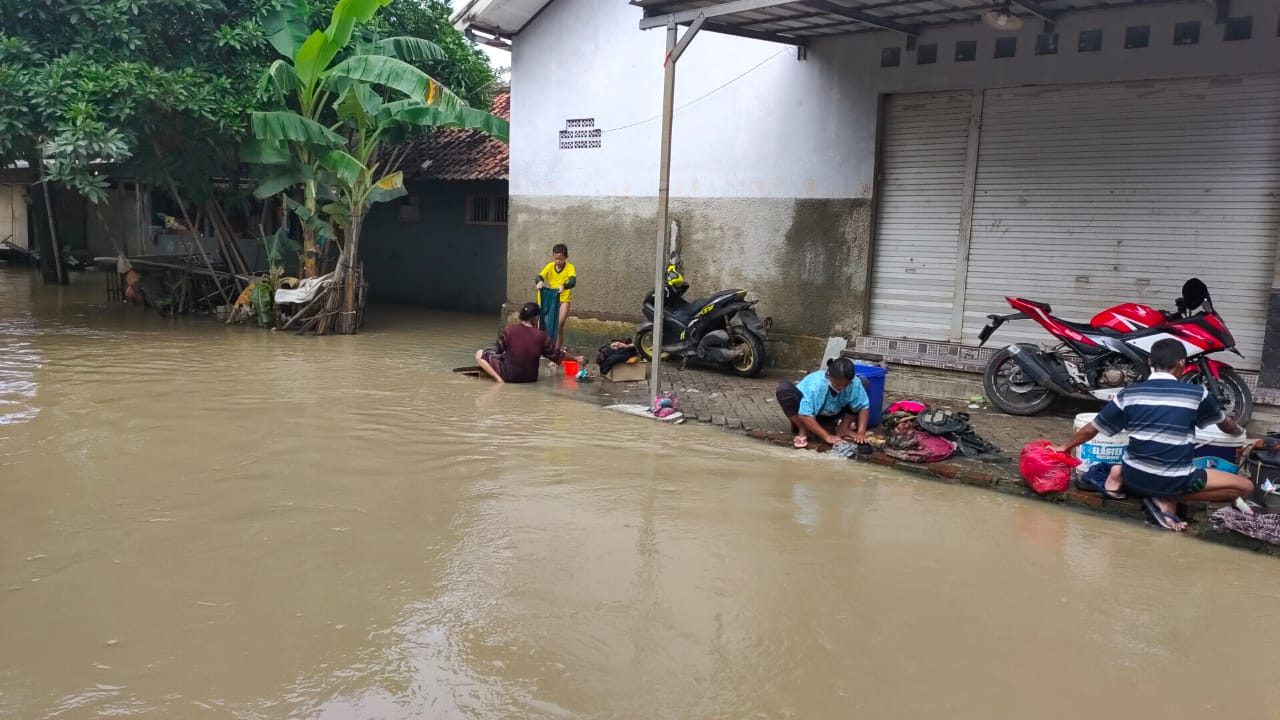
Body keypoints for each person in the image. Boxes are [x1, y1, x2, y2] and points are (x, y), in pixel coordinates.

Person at [1054, 339, 1251, 532]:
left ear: (1150, 362)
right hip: (1174, 481)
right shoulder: (1197, 394)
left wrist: (1064, 447)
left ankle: (1124, 475)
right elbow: (1226, 426)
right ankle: (1169, 497)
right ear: (1181, 363)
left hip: (1134, 477)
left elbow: (1092, 428)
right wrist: (1239, 432)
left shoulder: (1128, 393)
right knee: (1245, 488)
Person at [475, 302, 584, 384]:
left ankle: (499, 380)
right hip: (531, 379)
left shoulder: (510, 330)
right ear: (536, 318)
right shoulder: (541, 336)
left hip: (510, 377)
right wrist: (576, 359)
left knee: (479, 354)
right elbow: (557, 355)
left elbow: (497, 350)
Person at [776, 358, 871, 449]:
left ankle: (843, 428)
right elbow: (804, 414)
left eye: (845, 385)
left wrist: (861, 432)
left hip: (831, 414)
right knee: (784, 389)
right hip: (805, 416)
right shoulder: (817, 385)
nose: (841, 388)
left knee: (864, 383)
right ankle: (803, 428)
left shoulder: (854, 383)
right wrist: (827, 436)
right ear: (829, 376)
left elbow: (863, 405)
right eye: (838, 384)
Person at [535, 244, 576, 351]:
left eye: (560, 259)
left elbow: (573, 281)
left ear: (566, 257)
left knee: (559, 325)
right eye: (555, 258)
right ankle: (544, 348)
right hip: (551, 299)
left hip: (564, 299)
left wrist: (564, 286)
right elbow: (539, 276)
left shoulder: (570, 267)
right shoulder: (549, 266)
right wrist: (539, 282)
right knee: (544, 325)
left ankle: (557, 351)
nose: (558, 261)